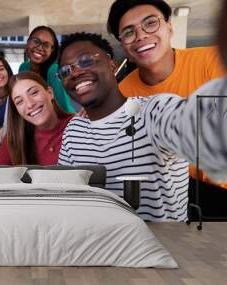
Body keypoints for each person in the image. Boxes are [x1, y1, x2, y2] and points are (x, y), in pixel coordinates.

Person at [57, 32, 227, 221]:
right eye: (65, 71)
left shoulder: (153, 110)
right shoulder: (74, 130)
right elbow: (66, 197)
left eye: (86, 61)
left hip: (160, 247)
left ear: (111, 64)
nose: (75, 73)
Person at [107, 0, 227, 215]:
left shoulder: (212, 60)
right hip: (168, 197)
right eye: (128, 32)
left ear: (170, 27)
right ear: (123, 45)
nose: (141, 35)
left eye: (150, 23)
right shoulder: (123, 93)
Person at [0, 71, 74, 165]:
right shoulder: (16, 138)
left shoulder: (77, 126)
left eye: (34, 93)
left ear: (50, 92)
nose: (30, 104)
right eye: (19, 101)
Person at [19, 26, 75, 113]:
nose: (40, 48)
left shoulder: (53, 70)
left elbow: (63, 108)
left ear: (52, 50)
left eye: (46, 45)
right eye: (35, 41)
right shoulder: (23, 68)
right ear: (28, 42)